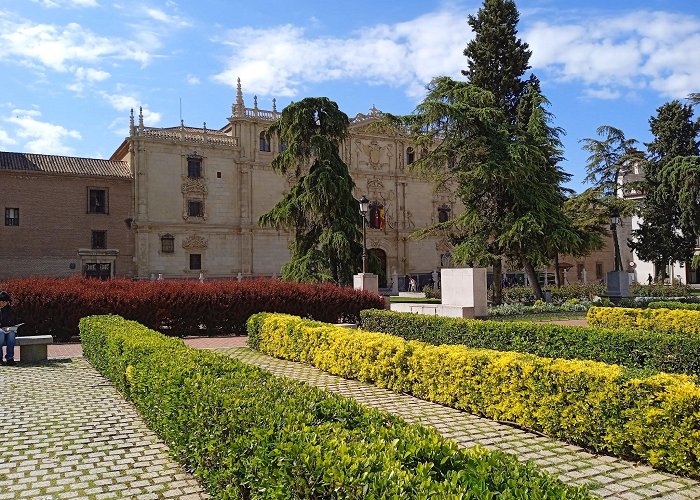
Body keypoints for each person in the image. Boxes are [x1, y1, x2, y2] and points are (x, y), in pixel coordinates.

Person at [0, 291, 17, 366]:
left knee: (12, 334)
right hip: (0, 330)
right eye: (2, 302)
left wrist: (10, 327)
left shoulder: (9, 310)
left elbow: (13, 321)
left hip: (7, 330)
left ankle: (10, 358)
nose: (3, 303)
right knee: (0, 334)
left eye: (5, 302)